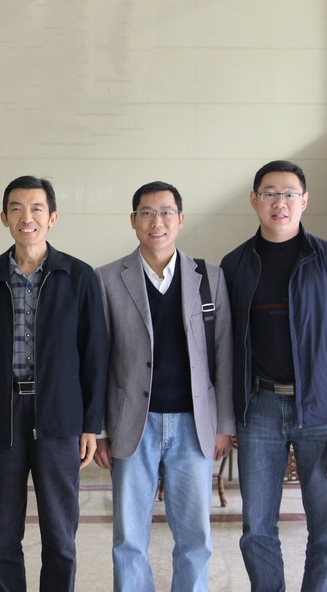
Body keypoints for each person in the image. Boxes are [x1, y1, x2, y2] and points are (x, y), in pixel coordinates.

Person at [220, 160, 327, 592]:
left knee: (326, 529)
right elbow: (224, 348)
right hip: (259, 409)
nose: (280, 203)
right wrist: (226, 416)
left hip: (323, 410)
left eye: (289, 194)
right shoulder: (235, 265)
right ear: (254, 200)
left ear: (304, 201)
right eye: (270, 193)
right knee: (256, 526)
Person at [0, 175, 109, 592]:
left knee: (60, 532)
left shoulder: (79, 277)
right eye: (17, 208)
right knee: (4, 533)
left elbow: (95, 357)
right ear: (4, 217)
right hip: (1, 418)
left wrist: (90, 425)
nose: (27, 217)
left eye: (37, 208)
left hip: (59, 416)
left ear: (52, 217)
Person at [93, 181, 234, 592]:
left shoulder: (209, 278)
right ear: (133, 220)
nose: (157, 221)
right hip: (131, 424)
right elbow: (97, 360)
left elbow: (224, 353)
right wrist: (98, 429)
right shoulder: (107, 279)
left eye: (166, 212)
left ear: (181, 219)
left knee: (195, 537)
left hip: (193, 424)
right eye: (147, 213)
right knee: (129, 538)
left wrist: (224, 424)